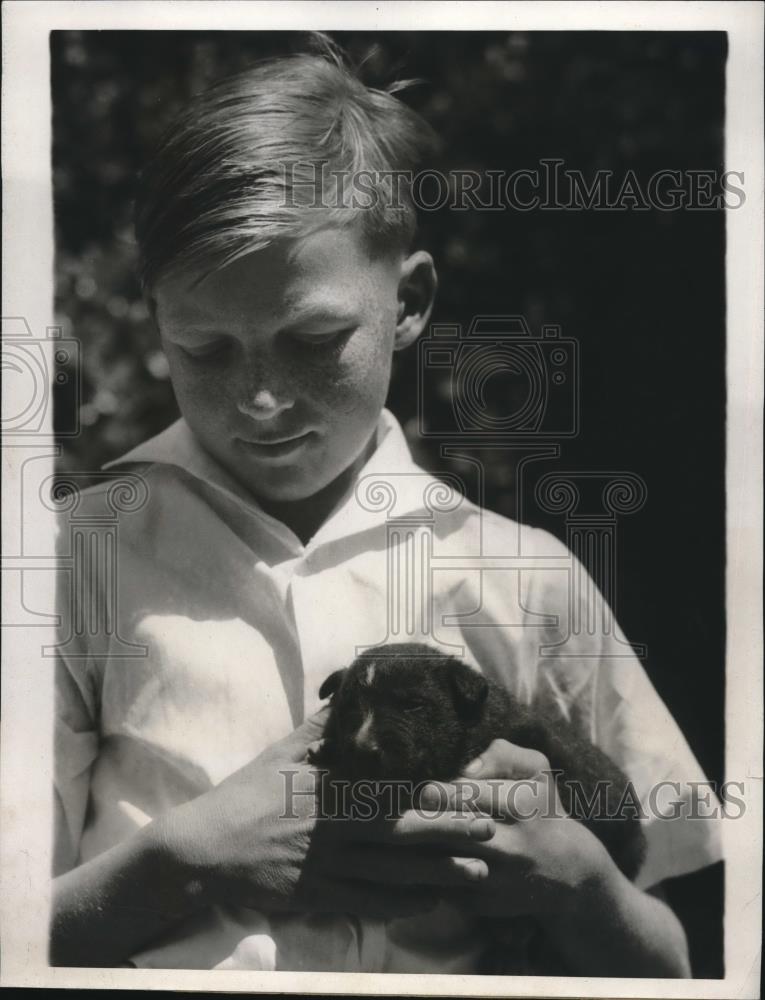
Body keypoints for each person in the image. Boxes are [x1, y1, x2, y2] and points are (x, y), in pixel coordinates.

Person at [51, 40, 722, 974]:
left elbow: (675, 962)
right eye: (204, 348)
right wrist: (183, 859)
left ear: (408, 302)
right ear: (152, 313)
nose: (259, 399)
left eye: (314, 339)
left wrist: (581, 885)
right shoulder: (70, 558)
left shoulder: (526, 578)